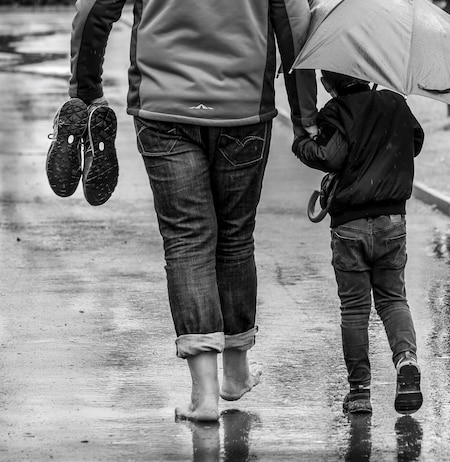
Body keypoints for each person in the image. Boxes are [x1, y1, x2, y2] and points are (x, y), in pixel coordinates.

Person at [57, 0, 318, 421]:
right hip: (244, 106)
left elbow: (94, 10)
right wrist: (305, 115)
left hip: (164, 105)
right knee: (235, 236)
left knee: (187, 239)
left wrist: (84, 91)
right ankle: (236, 372)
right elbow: (293, 21)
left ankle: (205, 396)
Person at [292, 70, 424, 415]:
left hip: (349, 227)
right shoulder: (394, 102)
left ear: (327, 84)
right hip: (393, 222)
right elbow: (416, 141)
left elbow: (330, 156)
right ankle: (406, 360)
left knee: (354, 310)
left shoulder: (336, 110)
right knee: (393, 299)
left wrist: (300, 143)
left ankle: (360, 392)